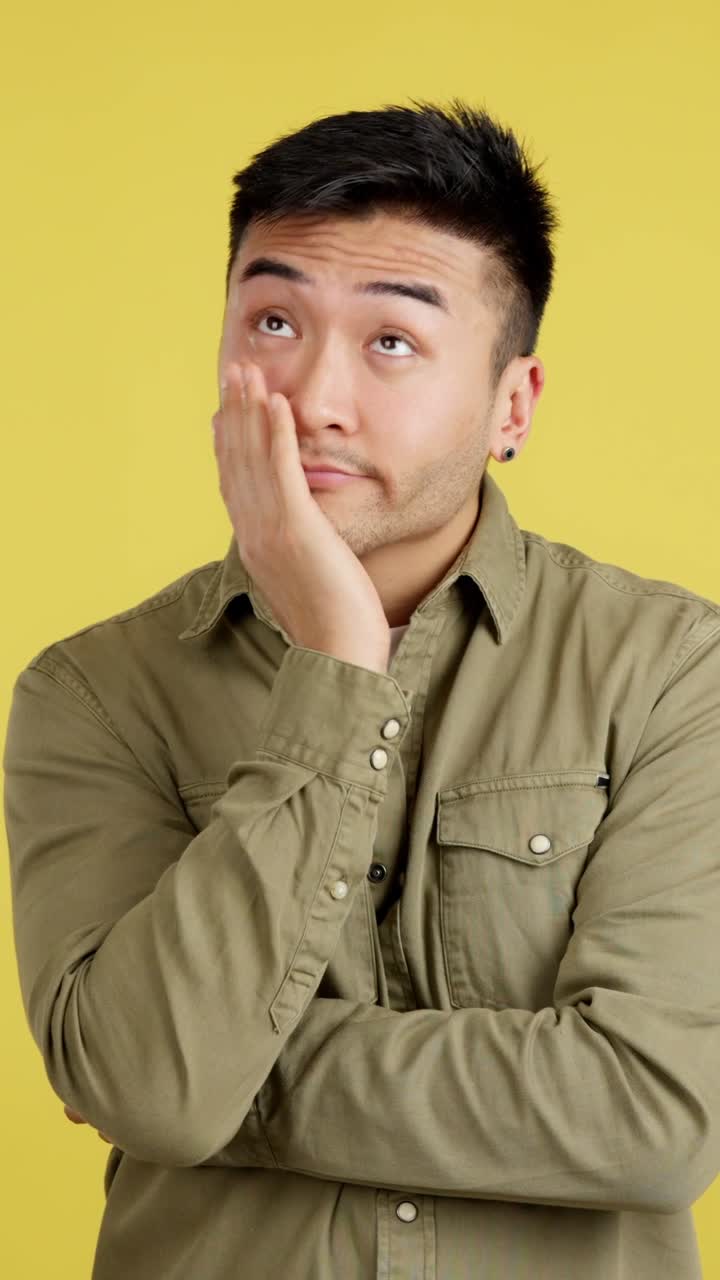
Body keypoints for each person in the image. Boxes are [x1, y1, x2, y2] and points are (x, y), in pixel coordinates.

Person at [4, 97, 720, 1280]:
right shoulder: (94, 692)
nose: (312, 395)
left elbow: (652, 1112)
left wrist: (223, 1073)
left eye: (392, 340)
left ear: (512, 407)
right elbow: (150, 1091)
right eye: (273, 318)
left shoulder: (670, 668)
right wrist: (336, 660)